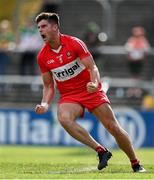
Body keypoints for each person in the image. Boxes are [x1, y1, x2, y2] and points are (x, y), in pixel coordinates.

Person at [35, 12, 146, 172]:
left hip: (90, 90)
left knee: (113, 127)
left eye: (44, 26)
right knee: (64, 118)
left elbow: (92, 67)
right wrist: (45, 103)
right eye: (39, 27)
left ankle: (135, 163)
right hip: (70, 96)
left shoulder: (74, 43)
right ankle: (101, 150)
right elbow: (48, 85)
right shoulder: (42, 56)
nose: (40, 30)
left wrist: (95, 82)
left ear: (55, 27)